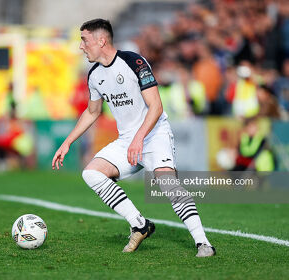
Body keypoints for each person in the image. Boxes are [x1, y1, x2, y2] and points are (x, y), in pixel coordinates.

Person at [52, 19, 215, 257]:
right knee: (91, 173)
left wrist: (139, 138)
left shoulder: (134, 62)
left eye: (84, 40)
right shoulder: (95, 75)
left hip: (154, 134)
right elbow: (92, 112)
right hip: (128, 140)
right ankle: (139, 224)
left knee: (169, 185)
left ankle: (203, 243)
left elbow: (156, 106)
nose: (81, 46)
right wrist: (67, 142)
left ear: (101, 40)